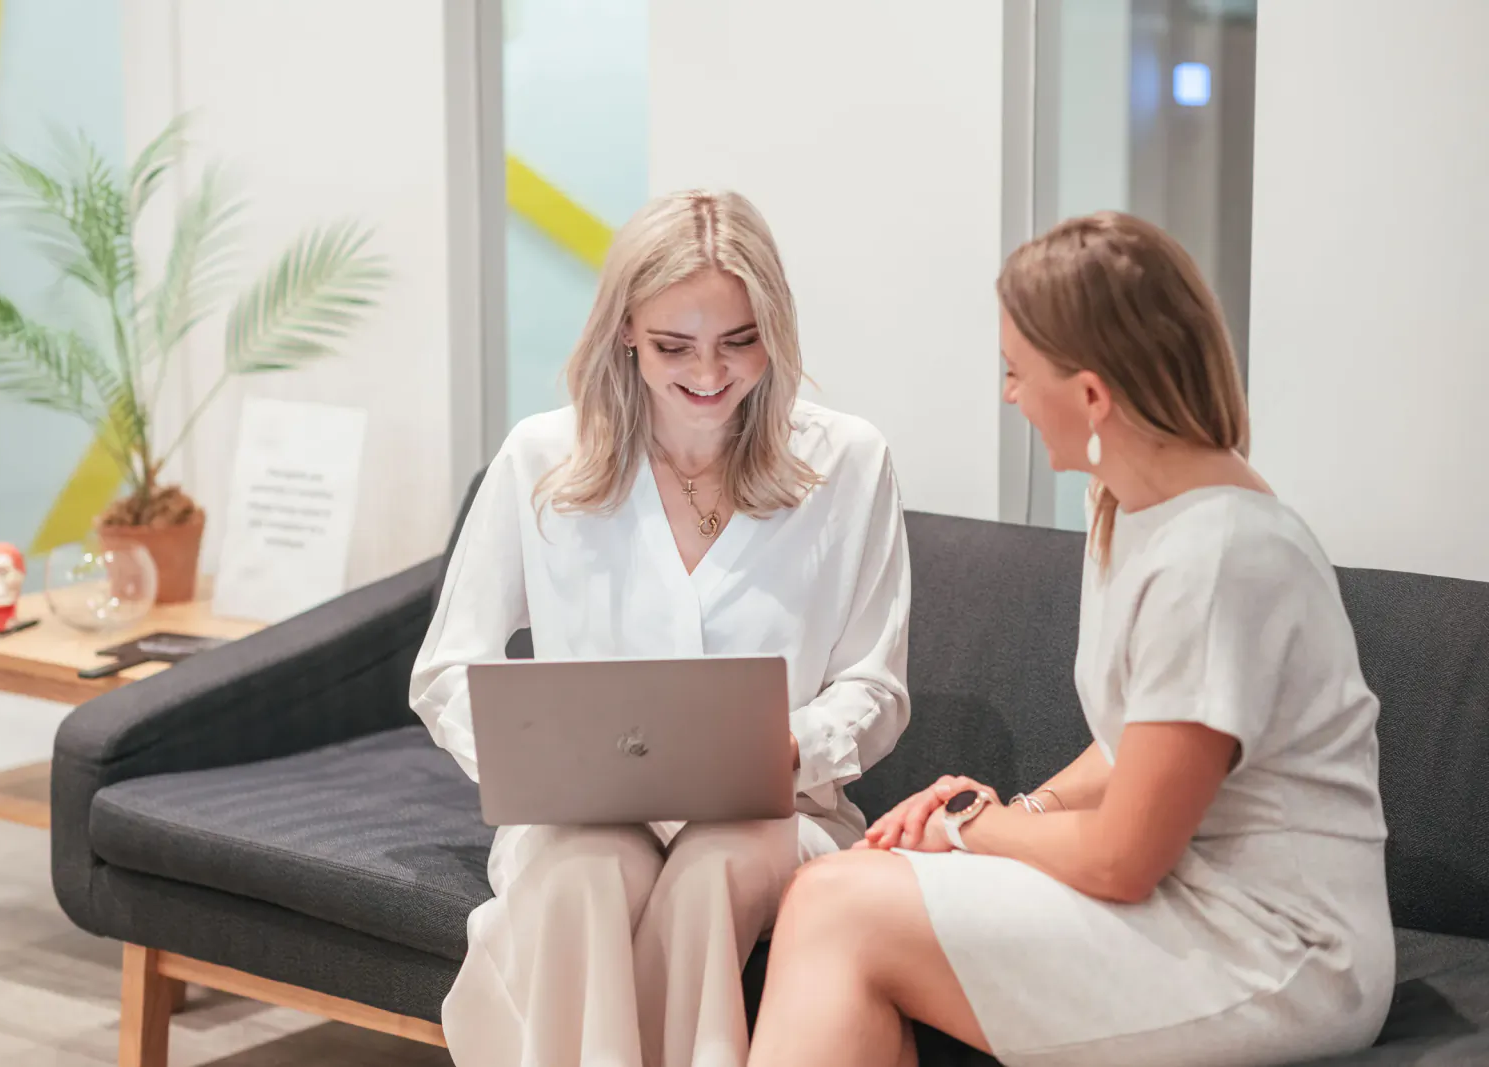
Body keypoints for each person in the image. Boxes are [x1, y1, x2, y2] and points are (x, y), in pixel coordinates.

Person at [746, 212, 1394, 1067]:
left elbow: (1125, 858)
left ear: (1092, 395)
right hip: (1192, 900)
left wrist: (974, 828)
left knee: (839, 906)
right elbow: (1142, 742)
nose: (1007, 394)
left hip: (1278, 950)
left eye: (1016, 371)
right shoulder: (1126, 504)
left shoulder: (1222, 557)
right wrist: (1022, 813)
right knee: (830, 889)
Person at [410, 189, 911, 1067]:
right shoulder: (542, 460)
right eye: (675, 345)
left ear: (775, 331)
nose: (709, 374)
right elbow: (448, 668)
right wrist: (531, 760)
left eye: (739, 341)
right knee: (578, 879)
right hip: (580, 817)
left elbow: (876, 684)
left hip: (773, 810)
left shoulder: (847, 463)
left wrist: (794, 746)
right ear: (625, 332)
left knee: (710, 873)